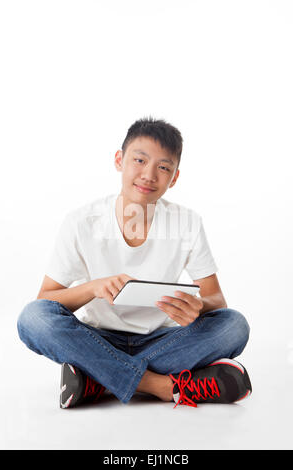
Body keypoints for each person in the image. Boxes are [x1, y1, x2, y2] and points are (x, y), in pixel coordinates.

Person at [17, 117, 252, 409]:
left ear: (174, 177)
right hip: (97, 336)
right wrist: (93, 288)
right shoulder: (81, 221)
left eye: (163, 167)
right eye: (139, 160)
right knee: (33, 318)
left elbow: (218, 301)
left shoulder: (187, 222)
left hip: (162, 339)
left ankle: (97, 379)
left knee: (234, 326)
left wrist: (198, 306)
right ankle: (161, 386)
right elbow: (46, 301)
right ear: (120, 160)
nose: (149, 175)